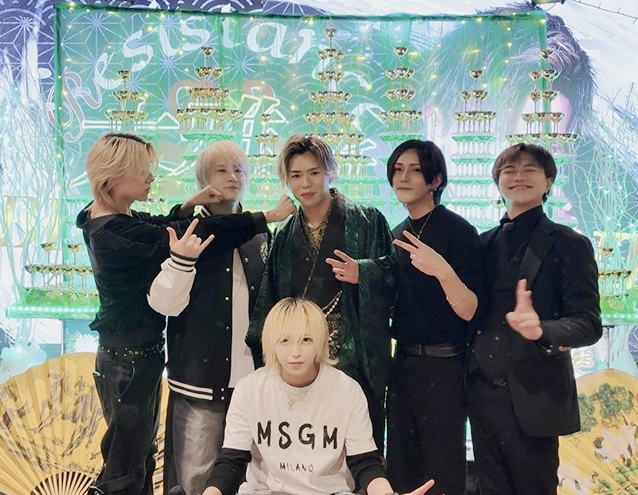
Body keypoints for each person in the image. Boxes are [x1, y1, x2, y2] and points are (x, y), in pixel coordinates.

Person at [76, 132, 295, 495]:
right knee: (131, 466)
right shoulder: (114, 230)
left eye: (239, 169)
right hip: (139, 364)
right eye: (143, 171)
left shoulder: (104, 215)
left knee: (138, 457)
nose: (151, 178)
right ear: (114, 176)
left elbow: (160, 226)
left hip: (142, 358)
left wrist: (187, 207)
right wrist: (265, 217)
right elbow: (181, 236)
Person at [147, 141, 285, 495]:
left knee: (252, 474)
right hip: (199, 375)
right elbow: (165, 301)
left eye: (239, 169)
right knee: (196, 474)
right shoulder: (189, 229)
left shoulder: (259, 232)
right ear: (203, 180)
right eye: (221, 170)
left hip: (252, 376)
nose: (232, 177)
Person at [466, 143, 602, 495]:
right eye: (509, 170)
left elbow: (588, 323)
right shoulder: (482, 243)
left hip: (535, 394)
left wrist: (542, 329)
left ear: (548, 181)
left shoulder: (569, 243)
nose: (518, 176)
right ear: (498, 181)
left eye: (530, 169)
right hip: (482, 393)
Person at [246, 135, 395, 451]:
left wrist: (364, 272)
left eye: (314, 173)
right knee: (304, 447)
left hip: (353, 356)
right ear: (286, 180)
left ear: (330, 172)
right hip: (300, 359)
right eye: (296, 175)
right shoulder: (284, 234)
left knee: (356, 448)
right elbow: (271, 300)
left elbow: (395, 276)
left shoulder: (368, 221)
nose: (305, 183)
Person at [202, 297, 435, 495]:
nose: (295, 352)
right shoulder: (250, 389)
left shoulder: (346, 390)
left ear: (322, 340)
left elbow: (364, 462)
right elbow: (231, 461)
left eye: (306, 340)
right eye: (285, 341)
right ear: (271, 344)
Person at [385, 140, 484, 495]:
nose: (403, 177)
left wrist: (442, 270)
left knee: (442, 469)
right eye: (398, 170)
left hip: (446, 368)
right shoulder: (395, 234)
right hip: (403, 366)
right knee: (401, 464)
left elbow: (471, 309)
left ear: (436, 180)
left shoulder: (459, 231)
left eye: (415, 170)